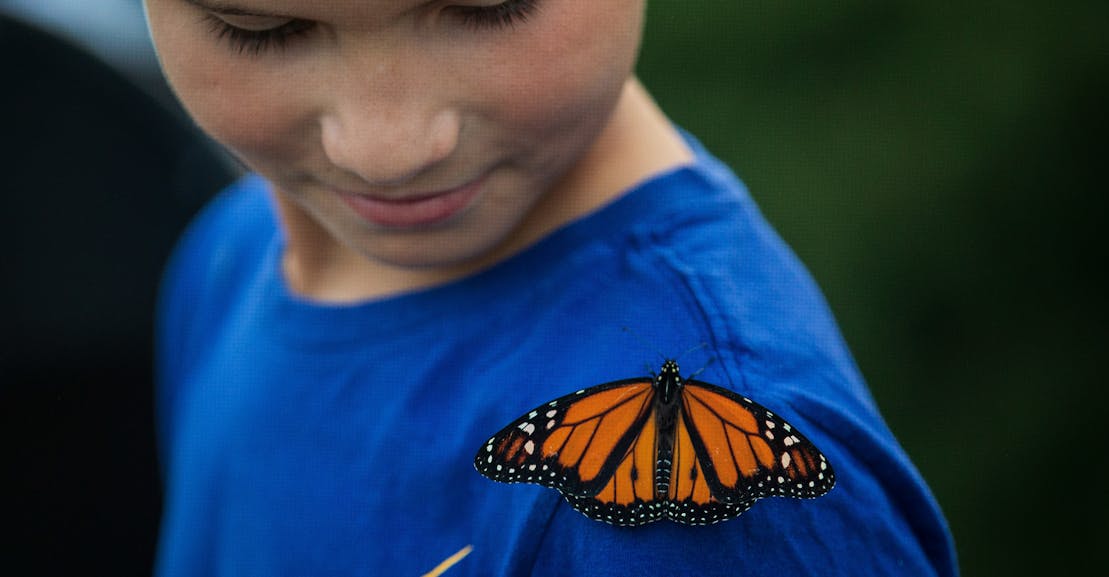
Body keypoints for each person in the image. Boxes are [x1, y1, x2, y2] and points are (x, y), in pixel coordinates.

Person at [144, 0, 958, 575]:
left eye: (490, 5)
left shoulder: (711, 512)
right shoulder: (234, 250)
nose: (386, 150)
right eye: (258, 27)